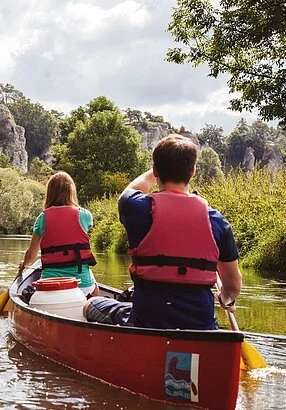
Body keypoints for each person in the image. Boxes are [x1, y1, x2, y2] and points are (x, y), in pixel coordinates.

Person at [84, 134, 242, 329]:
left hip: (147, 321)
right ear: (193, 172)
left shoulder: (137, 208)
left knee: (90, 305)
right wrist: (226, 300)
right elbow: (233, 287)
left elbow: (130, 190)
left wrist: (158, 168)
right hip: (201, 326)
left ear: (156, 171)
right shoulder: (218, 221)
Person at [19, 171, 98, 296]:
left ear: (50, 193)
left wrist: (23, 267)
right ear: (71, 191)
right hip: (82, 287)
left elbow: (31, 254)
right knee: (95, 287)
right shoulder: (86, 215)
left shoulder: (42, 218)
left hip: (49, 286)